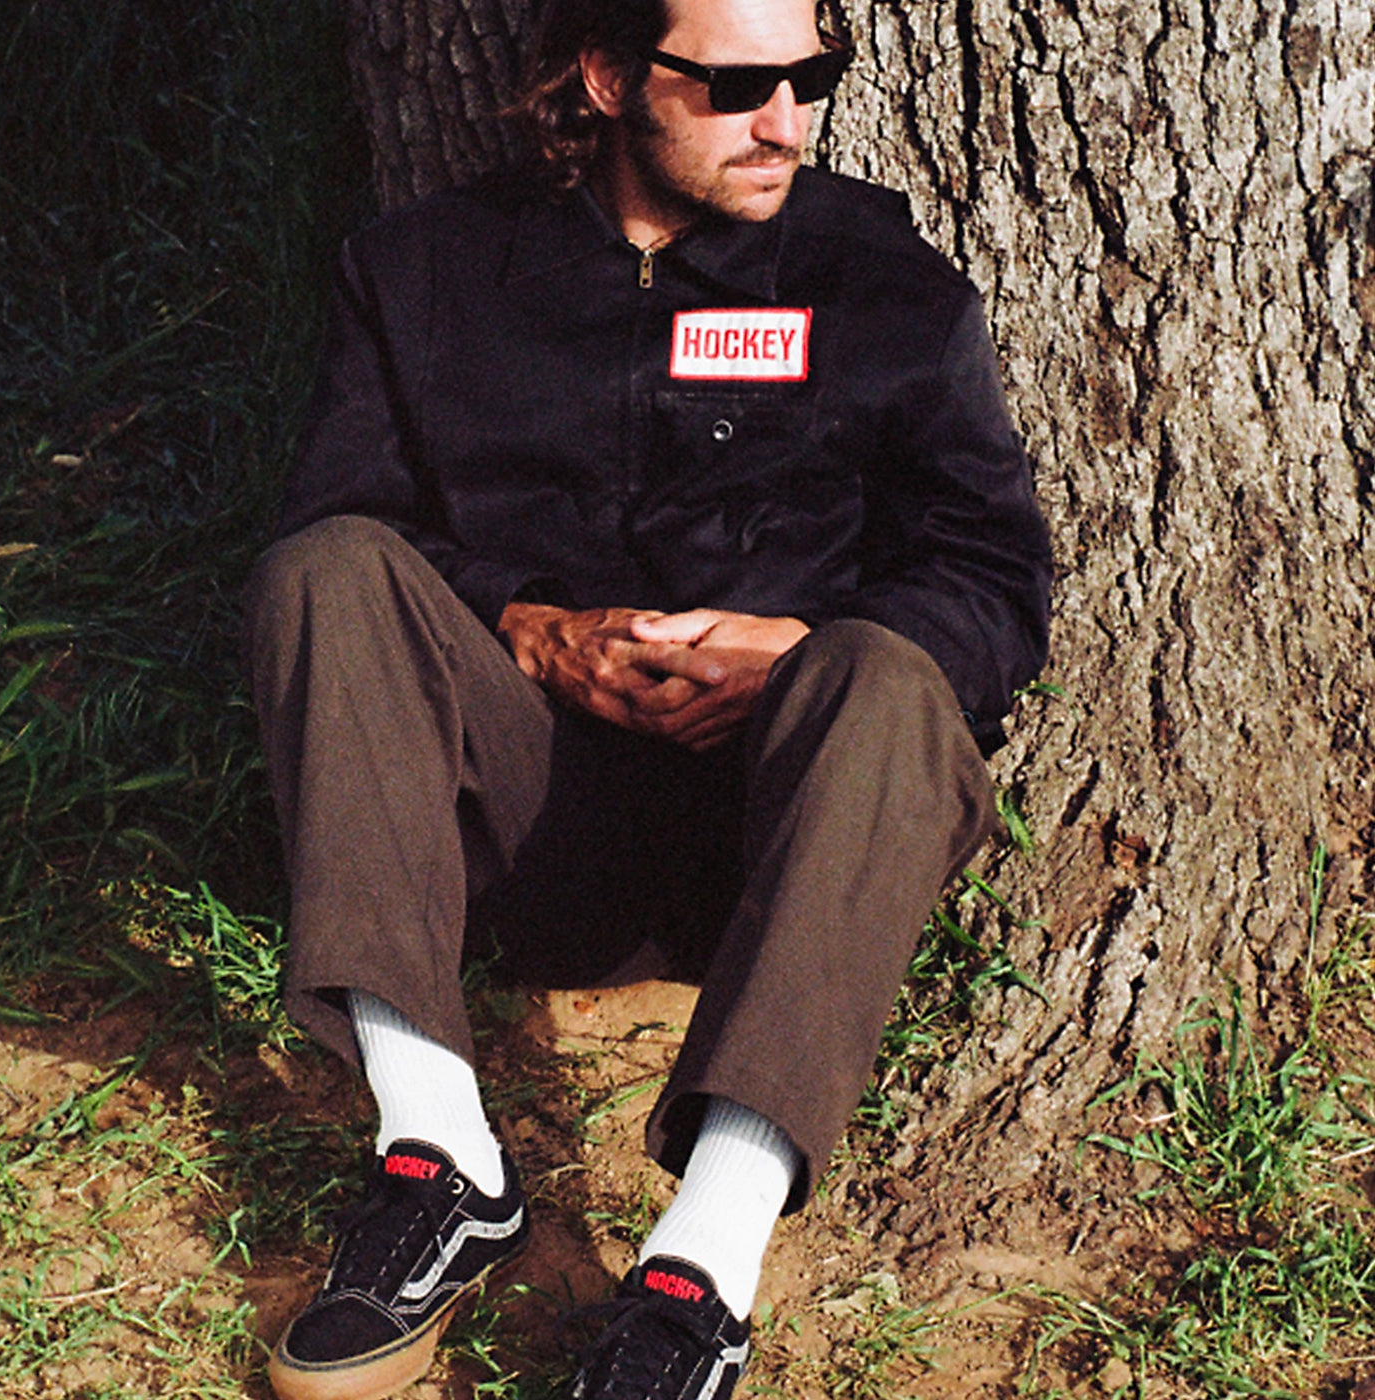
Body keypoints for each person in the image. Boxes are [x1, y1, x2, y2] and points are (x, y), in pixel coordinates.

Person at [242, 0, 1051, 1394]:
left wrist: (796, 656)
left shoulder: (883, 284)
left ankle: (703, 1267)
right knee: (324, 570)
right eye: (739, 86)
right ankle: (435, 1154)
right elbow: (346, 516)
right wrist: (527, 625)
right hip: (518, 829)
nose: (786, 123)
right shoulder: (427, 269)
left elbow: (992, 580)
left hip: (781, 862)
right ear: (611, 76)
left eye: (811, 76)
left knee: (883, 671)